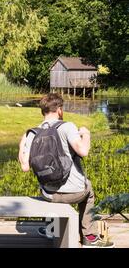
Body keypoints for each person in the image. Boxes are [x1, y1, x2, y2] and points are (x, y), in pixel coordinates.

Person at [18, 93, 114, 248]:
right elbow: (83, 151)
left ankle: (52, 230)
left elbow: (25, 167)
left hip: (49, 195)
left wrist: (22, 143)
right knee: (88, 191)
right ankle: (90, 237)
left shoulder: (33, 133)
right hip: (75, 193)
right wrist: (86, 134)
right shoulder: (67, 126)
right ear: (60, 110)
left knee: (44, 184)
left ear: (43, 111)